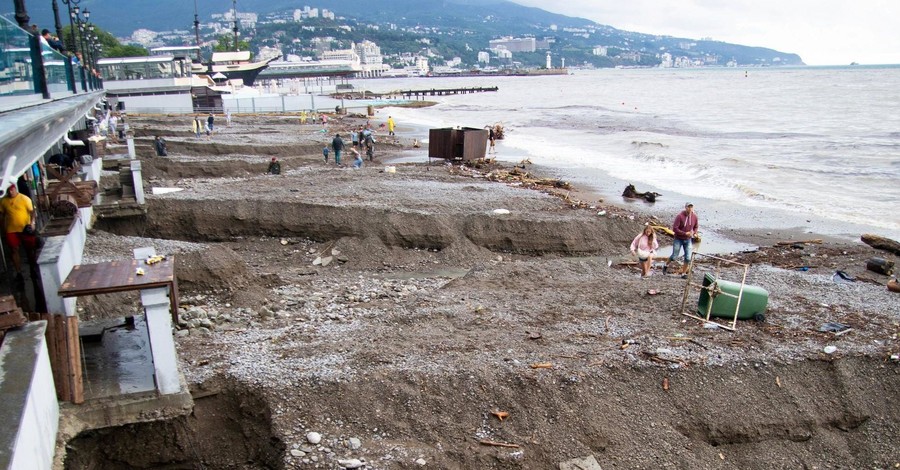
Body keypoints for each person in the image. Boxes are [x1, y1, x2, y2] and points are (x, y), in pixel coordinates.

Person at [0, 185, 37, 282]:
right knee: (14, 249)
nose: (10, 192)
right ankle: (18, 272)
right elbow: (2, 215)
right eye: (8, 190)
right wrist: (3, 228)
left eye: (11, 190)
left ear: (15, 188)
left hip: (24, 229)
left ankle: (33, 268)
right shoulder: (3, 201)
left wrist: (32, 223)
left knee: (30, 249)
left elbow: (32, 212)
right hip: (11, 230)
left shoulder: (24, 199)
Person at [668, 202, 699, 276]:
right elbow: (675, 228)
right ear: (685, 207)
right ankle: (666, 265)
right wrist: (684, 233)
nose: (690, 208)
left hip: (688, 239)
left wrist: (694, 232)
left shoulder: (694, 217)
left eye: (691, 207)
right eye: (688, 207)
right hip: (678, 239)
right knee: (674, 256)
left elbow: (696, 226)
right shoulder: (680, 216)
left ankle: (684, 273)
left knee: (688, 257)